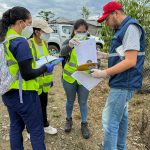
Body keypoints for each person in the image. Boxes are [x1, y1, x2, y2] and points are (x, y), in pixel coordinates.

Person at [91, 1, 145, 149]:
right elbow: (123, 53)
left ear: (115, 13)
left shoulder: (131, 28)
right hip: (124, 82)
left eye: (107, 19)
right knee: (121, 119)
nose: (107, 24)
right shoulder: (124, 28)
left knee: (109, 122)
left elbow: (130, 61)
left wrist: (103, 73)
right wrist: (105, 55)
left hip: (123, 83)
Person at [0, 7, 55, 150]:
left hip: (8, 92)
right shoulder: (20, 42)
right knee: (36, 130)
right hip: (24, 94)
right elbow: (27, 74)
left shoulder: (5, 39)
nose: (30, 27)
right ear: (20, 22)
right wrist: (45, 68)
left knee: (16, 127)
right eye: (29, 23)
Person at [60, 19, 91, 139]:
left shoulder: (89, 42)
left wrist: (95, 65)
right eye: (78, 31)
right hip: (69, 77)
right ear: (74, 31)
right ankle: (68, 120)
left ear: (87, 31)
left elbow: (94, 60)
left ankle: (84, 123)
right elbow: (61, 53)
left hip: (84, 78)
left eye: (83, 31)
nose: (81, 33)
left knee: (83, 102)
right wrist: (69, 45)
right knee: (70, 100)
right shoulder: (69, 41)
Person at [26, 18, 57, 137]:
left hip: (44, 82)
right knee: (32, 108)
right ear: (36, 31)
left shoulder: (45, 43)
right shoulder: (28, 43)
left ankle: (45, 125)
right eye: (44, 32)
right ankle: (30, 130)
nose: (47, 34)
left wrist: (52, 64)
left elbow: (46, 58)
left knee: (43, 104)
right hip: (34, 82)